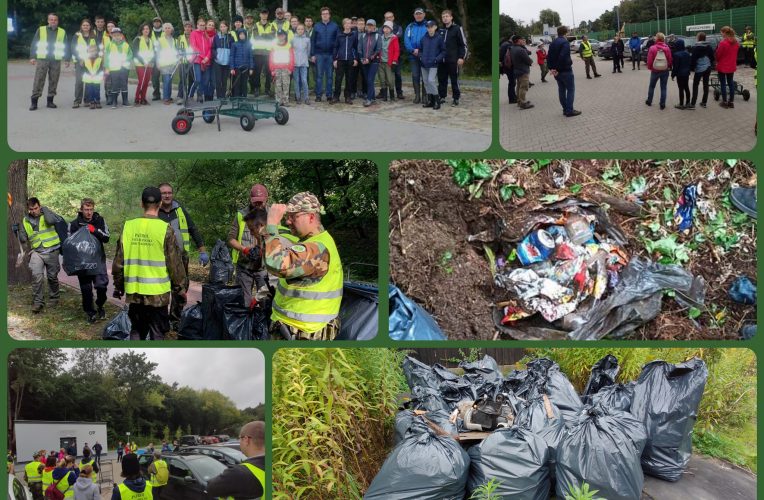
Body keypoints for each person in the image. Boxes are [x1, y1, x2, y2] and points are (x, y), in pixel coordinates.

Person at [112, 187, 187, 341]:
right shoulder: (165, 229)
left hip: (135, 293)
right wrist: (180, 288)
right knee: (157, 332)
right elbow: (174, 264)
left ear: (141, 203)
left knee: (137, 330)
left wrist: (119, 287)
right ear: (160, 204)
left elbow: (118, 263)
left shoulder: (128, 227)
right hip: (158, 295)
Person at [266, 192, 343, 340]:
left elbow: (276, 264)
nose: (288, 221)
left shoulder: (318, 248)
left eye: (293, 217)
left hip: (302, 335)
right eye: (287, 216)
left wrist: (272, 225)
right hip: (296, 330)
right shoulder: (316, 241)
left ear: (311, 216)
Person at [158, 181, 210, 325]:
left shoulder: (179, 209)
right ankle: (161, 322)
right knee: (161, 289)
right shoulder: (155, 211)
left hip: (181, 257)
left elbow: (193, 228)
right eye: (164, 193)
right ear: (158, 195)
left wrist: (202, 251)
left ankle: (175, 320)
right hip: (161, 259)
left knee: (181, 289)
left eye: (169, 192)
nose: (167, 195)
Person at [13, 198, 63, 313]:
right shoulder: (25, 220)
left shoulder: (46, 214)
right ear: (28, 209)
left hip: (52, 250)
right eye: (31, 209)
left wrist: (44, 209)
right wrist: (17, 230)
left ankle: (54, 298)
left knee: (52, 277)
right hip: (37, 252)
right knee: (36, 276)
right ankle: (38, 302)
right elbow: (23, 239)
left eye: (36, 208)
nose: (34, 211)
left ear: (39, 206)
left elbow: (51, 221)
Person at [68, 198, 110, 323]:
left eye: (91, 209)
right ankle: (90, 313)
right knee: (86, 290)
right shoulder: (74, 224)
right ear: (81, 210)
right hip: (82, 263)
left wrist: (94, 230)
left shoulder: (100, 220)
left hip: (98, 260)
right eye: (86, 210)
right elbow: (68, 243)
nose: (89, 212)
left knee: (101, 286)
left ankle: (100, 305)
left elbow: (107, 237)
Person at [229, 184, 271, 302]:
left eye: (260, 202)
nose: (257, 205)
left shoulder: (272, 215)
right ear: (250, 199)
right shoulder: (240, 215)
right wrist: (245, 249)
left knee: (266, 303)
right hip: (244, 267)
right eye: (255, 202)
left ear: (267, 198)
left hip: (265, 269)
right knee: (243, 303)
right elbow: (231, 239)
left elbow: (278, 240)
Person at [206, 421, 265, 499]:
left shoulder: (238, 473)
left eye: (240, 438)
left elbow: (210, 488)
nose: (239, 441)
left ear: (246, 440)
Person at [29, 12, 70, 110]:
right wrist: (32, 56)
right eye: (51, 19)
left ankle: (50, 101)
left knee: (54, 80)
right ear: (48, 20)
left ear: (57, 21)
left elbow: (66, 45)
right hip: (43, 59)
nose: (53, 21)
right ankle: (34, 102)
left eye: (55, 20)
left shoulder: (62, 31)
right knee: (39, 79)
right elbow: (34, 43)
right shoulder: (41, 29)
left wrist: (67, 59)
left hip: (56, 60)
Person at [437, 10, 467, 106]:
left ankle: (456, 98)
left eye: (447, 16)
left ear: (451, 17)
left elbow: (463, 45)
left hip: (453, 59)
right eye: (443, 17)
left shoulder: (457, 29)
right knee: (442, 79)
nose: (445, 18)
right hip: (442, 60)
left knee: (454, 79)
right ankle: (442, 96)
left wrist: (461, 57)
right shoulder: (440, 30)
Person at [547, 26, 579, 117]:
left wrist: (552, 68)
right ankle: (569, 110)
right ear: (566, 32)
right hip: (565, 70)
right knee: (570, 90)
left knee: (561, 90)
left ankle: (565, 109)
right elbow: (563, 57)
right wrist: (557, 68)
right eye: (568, 32)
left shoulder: (553, 42)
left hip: (556, 72)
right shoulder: (565, 42)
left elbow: (548, 57)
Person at [311, 6, 340, 103]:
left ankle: (329, 95)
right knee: (319, 76)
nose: (325, 15)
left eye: (326, 14)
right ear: (321, 15)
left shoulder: (335, 26)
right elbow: (313, 40)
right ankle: (318, 95)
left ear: (329, 15)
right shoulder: (317, 26)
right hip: (319, 54)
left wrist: (336, 56)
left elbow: (338, 41)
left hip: (331, 54)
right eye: (323, 14)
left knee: (329, 76)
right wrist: (313, 54)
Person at [103, 28, 132, 108]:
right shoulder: (109, 45)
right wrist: (107, 68)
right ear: (112, 35)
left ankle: (125, 101)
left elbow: (130, 55)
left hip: (124, 68)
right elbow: (106, 58)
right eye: (114, 35)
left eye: (118, 35)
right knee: (114, 85)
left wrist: (125, 60)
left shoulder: (126, 45)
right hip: (114, 68)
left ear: (121, 36)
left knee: (124, 84)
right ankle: (114, 102)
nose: (117, 36)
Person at [70, 18, 96, 109]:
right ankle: (77, 101)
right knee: (79, 82)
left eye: (87, 25)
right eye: (84, 25)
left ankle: (87, 100)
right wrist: (79, 58)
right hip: (80, 62)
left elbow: (96, 48)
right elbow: (73, 48)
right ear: (81, 26)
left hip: (91, 62)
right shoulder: (77, 35)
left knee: (89, 81)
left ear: (90, 26)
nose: (85, 27)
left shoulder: (94, 35)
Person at [404, 7, 428, 103]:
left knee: (425, 76)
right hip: (413, 55)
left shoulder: (428, 25)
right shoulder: (410, 26)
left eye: (420, 14)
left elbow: (431, 39)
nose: (418, 15)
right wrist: (412, 50)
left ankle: (425, 96)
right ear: (414, 15)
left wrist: (422, 50)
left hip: (425, 54)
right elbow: (406, 40)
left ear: (424, 15)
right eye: (416, 14)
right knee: (415, 75)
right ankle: (417, 95)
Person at [332, 18, 357, 104]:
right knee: (338, 79)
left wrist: (355, 58)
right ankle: (336, 96)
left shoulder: (354, 35)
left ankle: (348, 97)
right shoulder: (339, 35)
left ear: (351, 25)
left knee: (349, 79)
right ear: (343, 25)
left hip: (350, 60)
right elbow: (336, 47)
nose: (348, 25)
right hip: (340, 60)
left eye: (349, 23)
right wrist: (335, 59)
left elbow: (355, 48)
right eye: (346, 23)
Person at [645, 32, 673, 110]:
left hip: (655, 70)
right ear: (663, 39)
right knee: (663, 87)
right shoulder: (667, 48)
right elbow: (670, 59)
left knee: (652, 86)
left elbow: (649, 60)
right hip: (664, 70)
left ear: (656, 38)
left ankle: (649, 101)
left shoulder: (652, 48)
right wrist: (669, 66)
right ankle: (662, 104)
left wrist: (650, 67)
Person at [358, 19, 381, 107]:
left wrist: (369, 59)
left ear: (375, 26)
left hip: (374, 61)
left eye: (371, 25)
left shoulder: (377, 36)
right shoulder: (363, 36)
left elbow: (378, 50)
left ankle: (369, 99)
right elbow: (359, 49)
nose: (370, 27)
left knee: (370, 79)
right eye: (368, 25)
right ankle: (373, 97)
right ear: (366, 26)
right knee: (368, 80)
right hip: (364, 61)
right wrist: (362, 58)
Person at [252, 9, 275, 97]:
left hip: (269, 52)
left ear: (267, 15)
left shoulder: (272, 25)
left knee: (269, 72)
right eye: (263, 14)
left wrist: (262, 35)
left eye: (266, 14)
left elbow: (273, 36)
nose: (264, 15)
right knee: (257, 72)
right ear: (260, 15)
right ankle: (257, 88)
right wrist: (267, 35)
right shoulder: (256, 25)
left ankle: (267, 89)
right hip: (258, 52)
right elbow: (256, 37)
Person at [688, 32, 714, 109]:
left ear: (699, 38)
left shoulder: (696, 47)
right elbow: (712, 57)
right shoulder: (709, 46)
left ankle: (692, 104)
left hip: (699, 69)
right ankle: (704, 102)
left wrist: (692, 68)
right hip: (708, 68)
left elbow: (693, 60)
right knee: (705, 85)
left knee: (695, 85)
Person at [716, 26, 740, 109]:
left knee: (723, 83)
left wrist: (716, 60)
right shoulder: (736, 42)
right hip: (731, 65)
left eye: (721, 32)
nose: (721, 34)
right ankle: (731, 102)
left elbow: (718, 55)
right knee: (730, 83)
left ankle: (724, 102)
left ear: (725, 33)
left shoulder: (723, 43)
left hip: (722, 66)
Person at [189, 17, 212, 103]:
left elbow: (210, 48)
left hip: (206, 61)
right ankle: (190, 95)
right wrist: (203, 57)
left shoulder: (206, 35)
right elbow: (194, 47)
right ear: (197, 25)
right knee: (197, 79)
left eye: (203, 25)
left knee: (205, 80)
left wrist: (207, 58)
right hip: (197, 60)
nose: (202, 26)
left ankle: (199, 94)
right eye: (200, 25)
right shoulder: (193, 33)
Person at [270, 30, 295, 106]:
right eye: (279, 35)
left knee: (286, 85)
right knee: (278, 86)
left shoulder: (289, 46)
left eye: (282, 35)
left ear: (285, 36)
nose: (281, 37)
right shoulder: (274, 46)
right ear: (277, 36)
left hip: (286, 68)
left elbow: (292, 58)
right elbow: (271, 59)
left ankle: (286, 101)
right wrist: (272, 69)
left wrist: (290, 69)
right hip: (276, 69)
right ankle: (278, 101)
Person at [132, 23, 155, 106]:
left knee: (146, 82)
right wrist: (143, 62)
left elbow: (153, 53)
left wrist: (151, 61)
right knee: (141, 81)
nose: (146, 30)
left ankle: (143, 98)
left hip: (149, 65)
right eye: (144, 29)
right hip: (140, 64)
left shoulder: (151, 40)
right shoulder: (137, 39)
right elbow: (135, 53)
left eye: (147, 29)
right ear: (141, 30)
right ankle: (137, 99)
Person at [384, 11, 405, 99]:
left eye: (390, 17)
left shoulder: (398, 27)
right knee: (384, 75)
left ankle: (399, 92)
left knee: (397, 74)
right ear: (385, 19)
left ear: (393, 18)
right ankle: (383, 92)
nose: (389, 18)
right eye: (387, 17)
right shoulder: (382, 28)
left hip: (396, 56)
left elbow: (397, 36)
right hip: (385, 57)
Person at [378, 21, 400, 103]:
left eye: (388, 28)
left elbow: (397, 51)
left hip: (389, 62)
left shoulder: (394, 38)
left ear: (391, 29)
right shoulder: (380, 37)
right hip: (380, 62)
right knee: (382, 79)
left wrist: (394, 61)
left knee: (390, 80)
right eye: (385, 28)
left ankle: (392, 96)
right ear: (383, 29)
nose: (386, 30)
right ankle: (384, 96)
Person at [213, 20, 235, 98]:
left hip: (227, 62)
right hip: (218, 62)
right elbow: (213, 48)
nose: (222, 28)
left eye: (224, 26)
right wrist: (216, 56)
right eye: (221, 27)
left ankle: (223, 97)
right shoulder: (216, 37)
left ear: (227, 27)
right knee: (218, 81)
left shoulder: (231, 38)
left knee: (224, 81)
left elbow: (233, 50)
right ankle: (219, 97)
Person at [510, 34, 533, 110]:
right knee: (524, 87)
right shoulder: (520, 50)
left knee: (519, 86)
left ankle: (519, 101)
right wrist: (531, 61)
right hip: (523, 70)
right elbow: (528, 60)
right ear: (518, 40)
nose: (522, 41)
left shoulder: (512, 48)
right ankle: (523, 103)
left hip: (516, 70)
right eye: (521, 39)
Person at [230, 28, 254, 98]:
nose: (242, 36)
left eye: (243, 34)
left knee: (244, 83)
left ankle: (244, 98)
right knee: (237, 84)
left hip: (246, 68)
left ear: (245, 35)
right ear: (238, 35)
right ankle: (237, 98)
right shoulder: (234, 44)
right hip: (237, 67)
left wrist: (251, 68)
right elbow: (232, 56)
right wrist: (232, 68)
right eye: (240, 34)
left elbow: (251, 56)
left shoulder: (249, 44)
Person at [292, 24, 311, 104]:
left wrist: (305, 59)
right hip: (295, 64)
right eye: (298, 29)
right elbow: (291, 51)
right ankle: (298, 97)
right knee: (296, 81)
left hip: (303, 63)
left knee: (304, 80)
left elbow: (308, 52)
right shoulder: (292, 39)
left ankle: (306, 98)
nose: (300, 30)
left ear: (304, 30)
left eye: (302, 29)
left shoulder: (307, 40)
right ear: (296, 30)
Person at [176, 21, 194, 103]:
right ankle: (180, 96)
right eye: (186, 27)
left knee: (191, 79)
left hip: (192, 61)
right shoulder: (180, 37)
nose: (187, 28)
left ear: (191, 28)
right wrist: (179, 57)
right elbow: (177, 49)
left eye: (189, 27)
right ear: (184, 28)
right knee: (182, 79)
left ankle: (190, 96)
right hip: (183, 61)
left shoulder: (194, 36)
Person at [81, 44, 103, 109]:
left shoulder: (99, 59)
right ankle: (92, 102)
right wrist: (89, 74)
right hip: (89, 78)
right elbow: (84, 69)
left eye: (94, 51)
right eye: (91, 51)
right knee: (90, 91)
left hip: (96, 78)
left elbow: (100, 68)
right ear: (88, 52)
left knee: (97, 90)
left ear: (96, 51)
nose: (92, 52)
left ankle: (98, 101)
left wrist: (96, 73)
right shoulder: (85, 60)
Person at [671, 38, 691, 109]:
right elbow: (689, 64)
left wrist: (673, 75)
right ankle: (688, 103)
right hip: (686, 73)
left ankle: (681, 104)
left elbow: (675, 67)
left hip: (680, 74)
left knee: (681, 89)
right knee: (686, 87)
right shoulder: (687, 53)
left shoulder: (676, 54)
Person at [351, 17, 367, 99]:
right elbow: (352, 47)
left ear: (364, 25)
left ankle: (365, 92)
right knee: (354, 75)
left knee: (364, 75)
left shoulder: (367, 33)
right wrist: (354, 58)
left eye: (362, 24)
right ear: (356, 25)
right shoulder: (353, 33)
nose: (361, 26)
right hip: (356, 57)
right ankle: (353, 92)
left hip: (364, 57)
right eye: (359, 24)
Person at [149, 17, 164, 100]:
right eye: (155, 22)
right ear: (153, 23)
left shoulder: (165, 31)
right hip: (154, 58)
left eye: (158, 22)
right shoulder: (150, 33)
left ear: (160, 23)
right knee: (155, 77)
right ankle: (156, 94)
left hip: (164, 57)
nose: (157, 23)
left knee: (165, 77)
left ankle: (166, 94)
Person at [499, 36, 516, 103]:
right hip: (508, 66)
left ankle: (513, 96)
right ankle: (512, 98)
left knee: (512, 82)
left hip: (505, 66)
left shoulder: (504, 44)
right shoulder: (508, 45)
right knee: (512, 82)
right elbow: (507, 57)